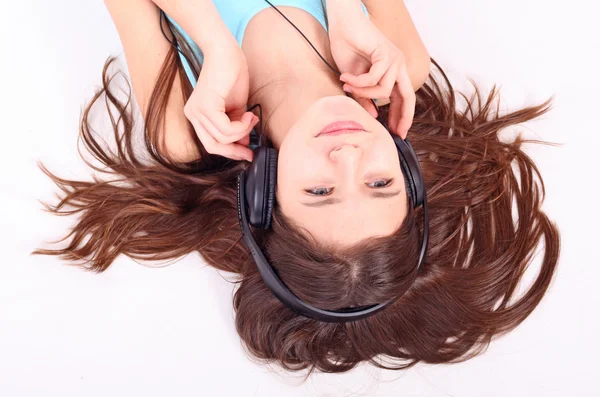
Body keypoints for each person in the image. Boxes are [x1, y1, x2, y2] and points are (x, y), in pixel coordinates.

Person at [35, 0, 560, 376]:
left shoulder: (183, 128)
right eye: (379, 183)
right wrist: (348, 12)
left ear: (265, 195)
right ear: (407, 170)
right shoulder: (398, 61)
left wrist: (216, 43)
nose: (349, 157)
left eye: (319, 192)